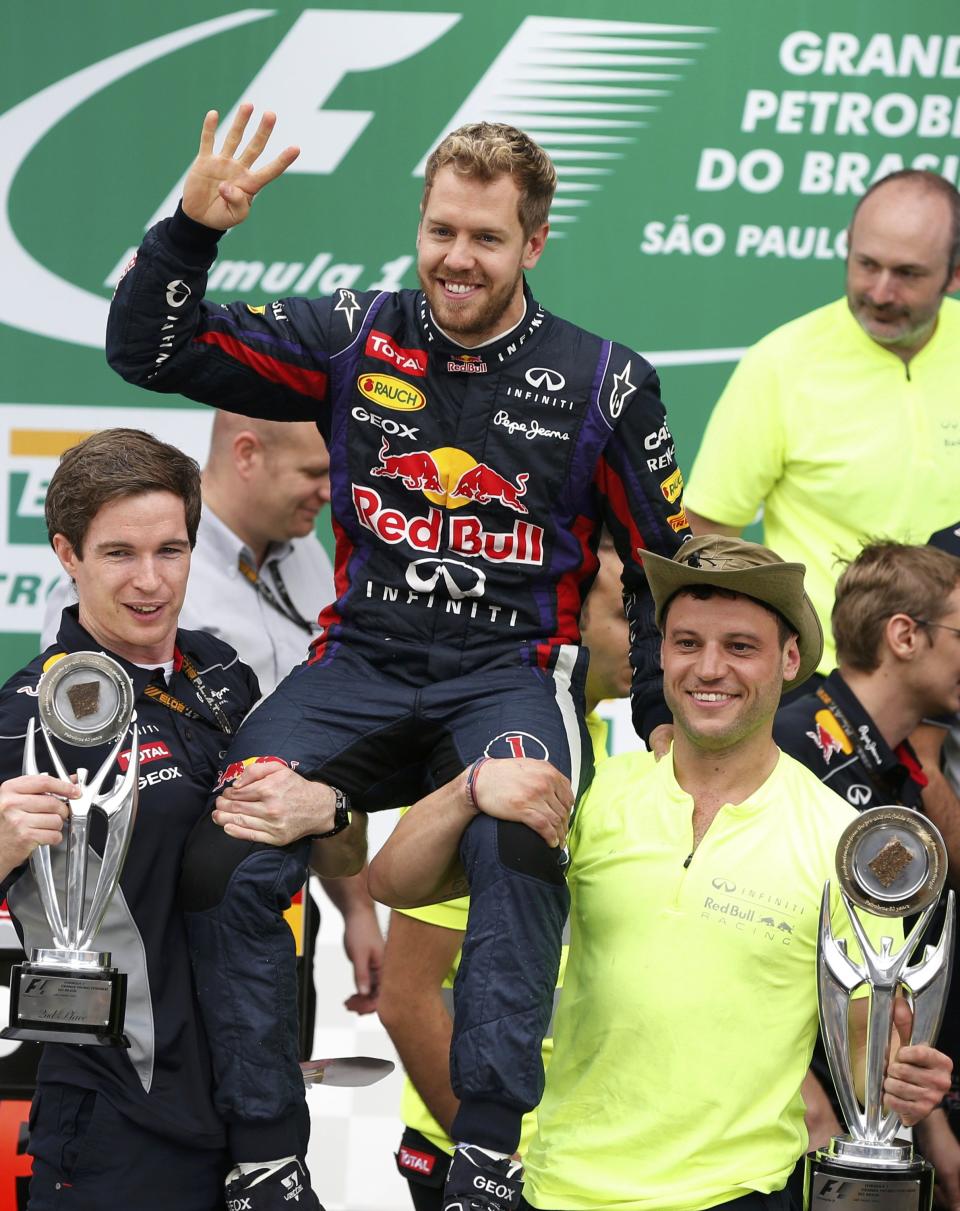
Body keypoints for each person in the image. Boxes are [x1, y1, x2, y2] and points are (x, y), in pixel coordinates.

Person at [105, 107, 689, 1209]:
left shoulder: (608, 382)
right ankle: (269, 1154)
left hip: (510, 670)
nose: (457, 259)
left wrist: (659, 718)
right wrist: (192, 227)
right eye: (440, 230)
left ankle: (486, 1156)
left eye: (486, 238)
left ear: (535, 243)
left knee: (523, 821)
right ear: (419, 224)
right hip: (361, 663)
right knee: (234, 830)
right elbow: (149, 349)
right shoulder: (350, 333)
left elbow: (659, 560)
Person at [369, 535, 953, 1211]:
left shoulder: (841, 838)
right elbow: (394, 880)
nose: (709, 668)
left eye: (740, 646)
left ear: (790, 659)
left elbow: (864, 1031)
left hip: (733, 1196)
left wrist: (893, 1081)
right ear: (662, 653)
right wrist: (469, 787)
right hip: (556, 1189)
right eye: (685, 643)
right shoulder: (589, 790)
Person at [0, 429, 365, 1211]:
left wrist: (328, 808)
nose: (150, 580)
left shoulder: (229, 678)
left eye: (171, 549)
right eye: (118, 553)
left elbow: (339, 853)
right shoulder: (26, 714)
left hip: (258, 1111)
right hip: (117, 1124)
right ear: (68, 553)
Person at [41, 415, 384, 1027]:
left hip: (275, 916)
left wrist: (356, 909)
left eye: (173, 553)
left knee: (267, 1101)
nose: (330, 490)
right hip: (156, 945)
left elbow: (307, 761)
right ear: (247, 454)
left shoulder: (307, 557)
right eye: (313, 470)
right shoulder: (114, 590)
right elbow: (77, 777)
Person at [379, 537, 632, 1209]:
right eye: (627, 616)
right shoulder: (494, 756)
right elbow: (406, 995)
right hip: (480, 1162)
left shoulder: (600, 748)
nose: (650, 637)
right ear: (569, 623)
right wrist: (491, 1160)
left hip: (564, 1164)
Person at [684, 170, 960, 679]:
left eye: (908, 273)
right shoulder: (781, 364)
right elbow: (708, 535)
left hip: (952, 677)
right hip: (823, 680)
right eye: (866, 264)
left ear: (954, 273)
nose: (880, 291)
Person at [774, 540, 960, 1207]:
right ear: (905, 635)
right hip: (788, 1134)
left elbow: (889, 980)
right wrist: (805, 1092)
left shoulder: (898, 770)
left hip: (871, 1118)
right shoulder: (790, 744)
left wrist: (933, 1132)